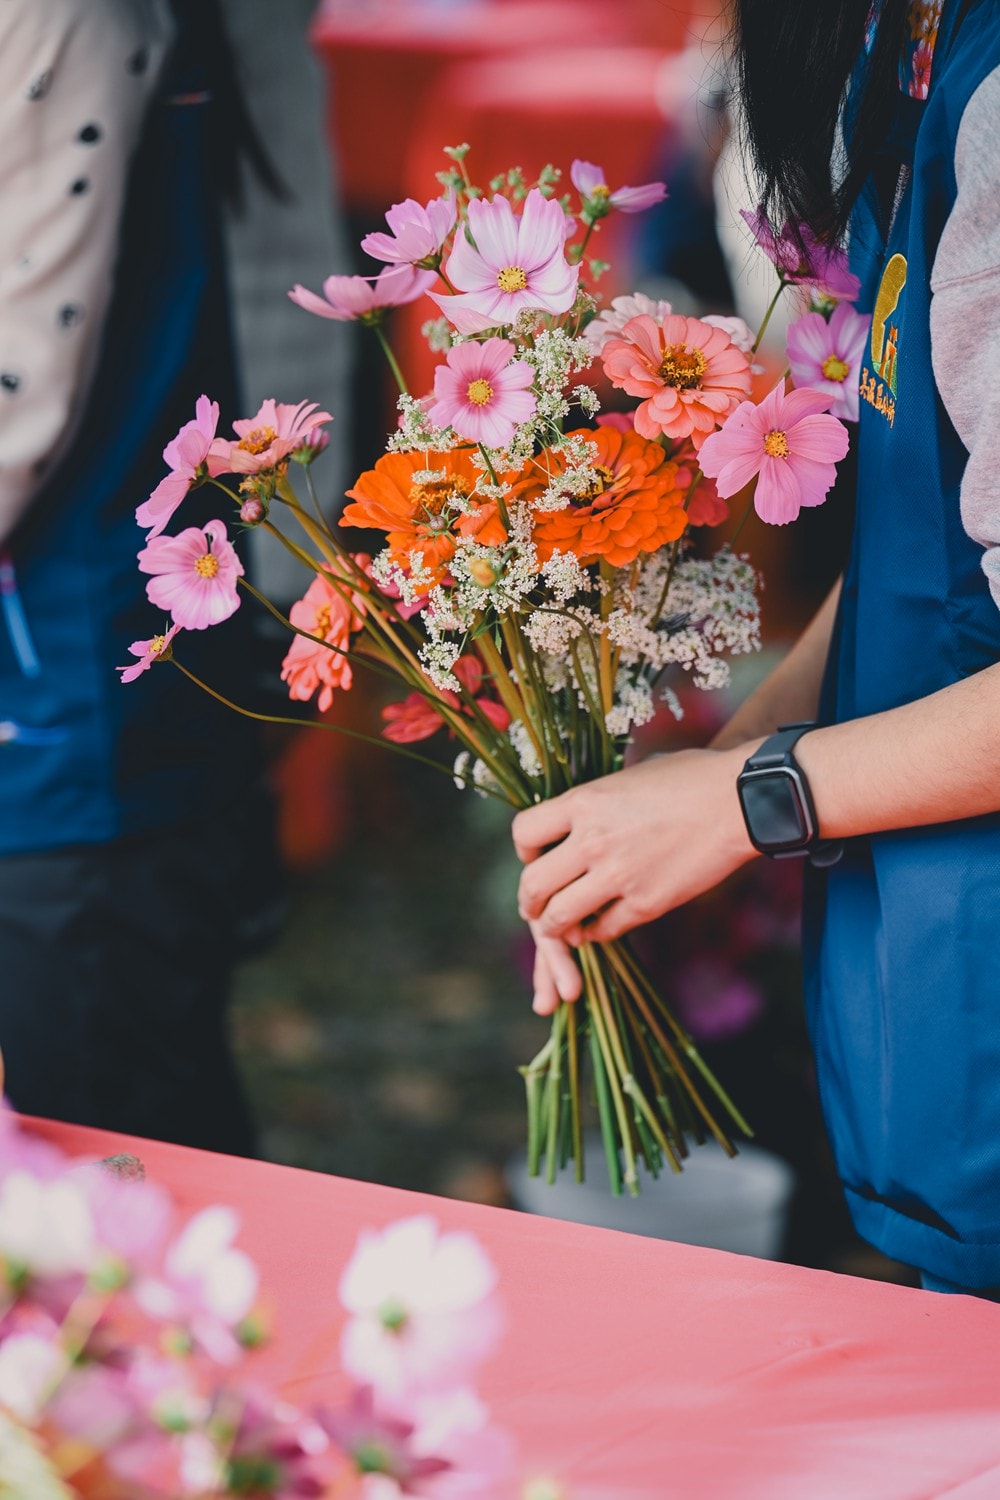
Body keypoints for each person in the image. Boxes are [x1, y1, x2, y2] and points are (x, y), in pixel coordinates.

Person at [513, 0, 1000, 1296]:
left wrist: (748, 802)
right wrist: (688, 799)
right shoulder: (907, 64)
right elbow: (935, 551)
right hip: (932, 970)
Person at [0, 0, 274, 1155]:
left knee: (113, 1178)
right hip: (91, 679)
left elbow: (21, 394)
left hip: (80, 701)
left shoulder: (63, 14)